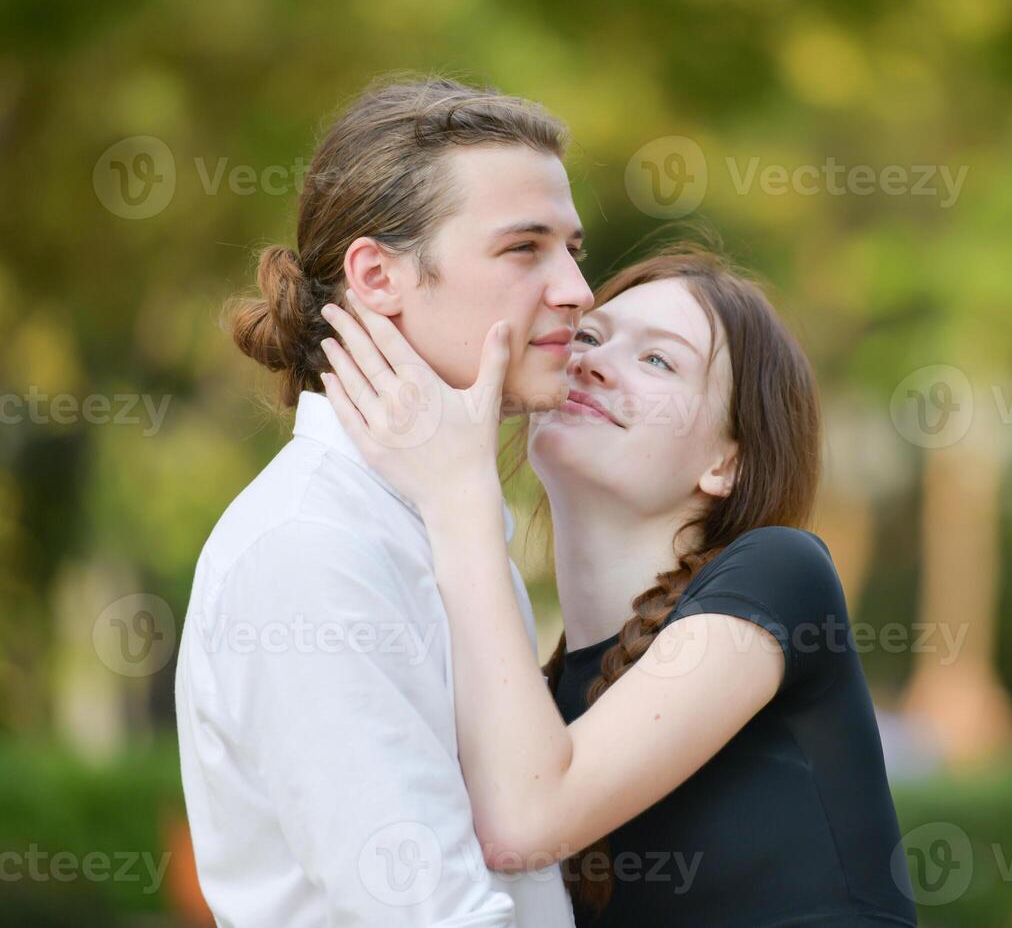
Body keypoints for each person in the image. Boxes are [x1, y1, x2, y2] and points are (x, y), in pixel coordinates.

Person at [319, 246, 920, 925]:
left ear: (727, 461)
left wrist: (459, 498)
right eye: (590, 336)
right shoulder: (538, 697)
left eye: (658, 359)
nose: (590, 360)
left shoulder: (781, 574)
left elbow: (524, 823)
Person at [175, 77, 593, 927]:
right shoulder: (312, 549)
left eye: (574, 248)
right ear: (377, 275)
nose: (578, 290)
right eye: (525, 249)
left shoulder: (440, 518)